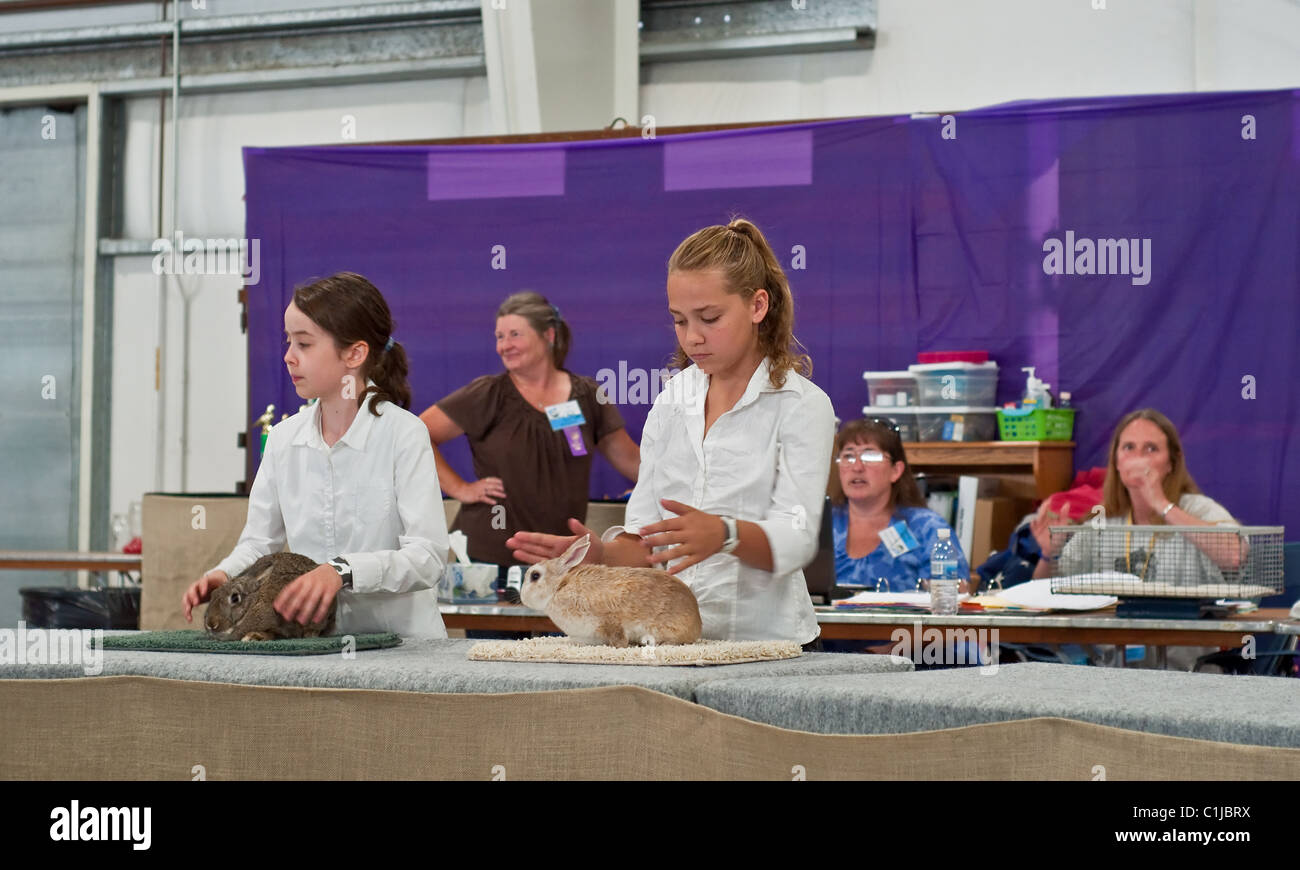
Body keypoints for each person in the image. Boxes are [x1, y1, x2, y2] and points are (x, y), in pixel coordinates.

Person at [507, 218, 836, 647]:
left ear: (758, 306)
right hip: (667, 647)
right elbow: (647, 539)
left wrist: (725, 534)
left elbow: (795, 540)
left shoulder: (801, 405)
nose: (692, 337)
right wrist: (601, 556)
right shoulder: (672, 398)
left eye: (710, 317)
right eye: (679, 321)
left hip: (764, 646)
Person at [183, 272, 449, 638]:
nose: (288, 357)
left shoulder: (404, 433)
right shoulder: (282, 439)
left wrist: (342, 571)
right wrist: (225, 575)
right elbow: (260, 544)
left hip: (405, 651)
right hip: (315, 649)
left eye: (304, 344)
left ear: (355, 353)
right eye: (288, 341)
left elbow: (428, 558)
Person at [418, 291, 640, 567]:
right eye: (499, 337)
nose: (504, 345)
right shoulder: (488, 394)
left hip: (561, 559)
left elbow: (630, 459)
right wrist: (460, 488)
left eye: (514, 335)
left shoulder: (587, 396)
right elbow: (417, 434)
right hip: (490, 560)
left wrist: (680, 486)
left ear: (548, 335)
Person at [1031, 408, 1243, 584]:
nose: (1139, 458)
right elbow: (1046, 591)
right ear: (1117, 462)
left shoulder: (1198, 509)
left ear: (1171, 463)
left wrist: (1161, 504)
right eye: (1129, 448)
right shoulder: (1100, 521)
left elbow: (1234, 556)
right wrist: (1050, 554)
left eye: (1151, 449)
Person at [829, 418, 969, 591]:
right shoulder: (822, 523)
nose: (857, 467)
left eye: (870, 456)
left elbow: (954, 595)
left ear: (896, 470)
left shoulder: (926, 527)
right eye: (848, 456)